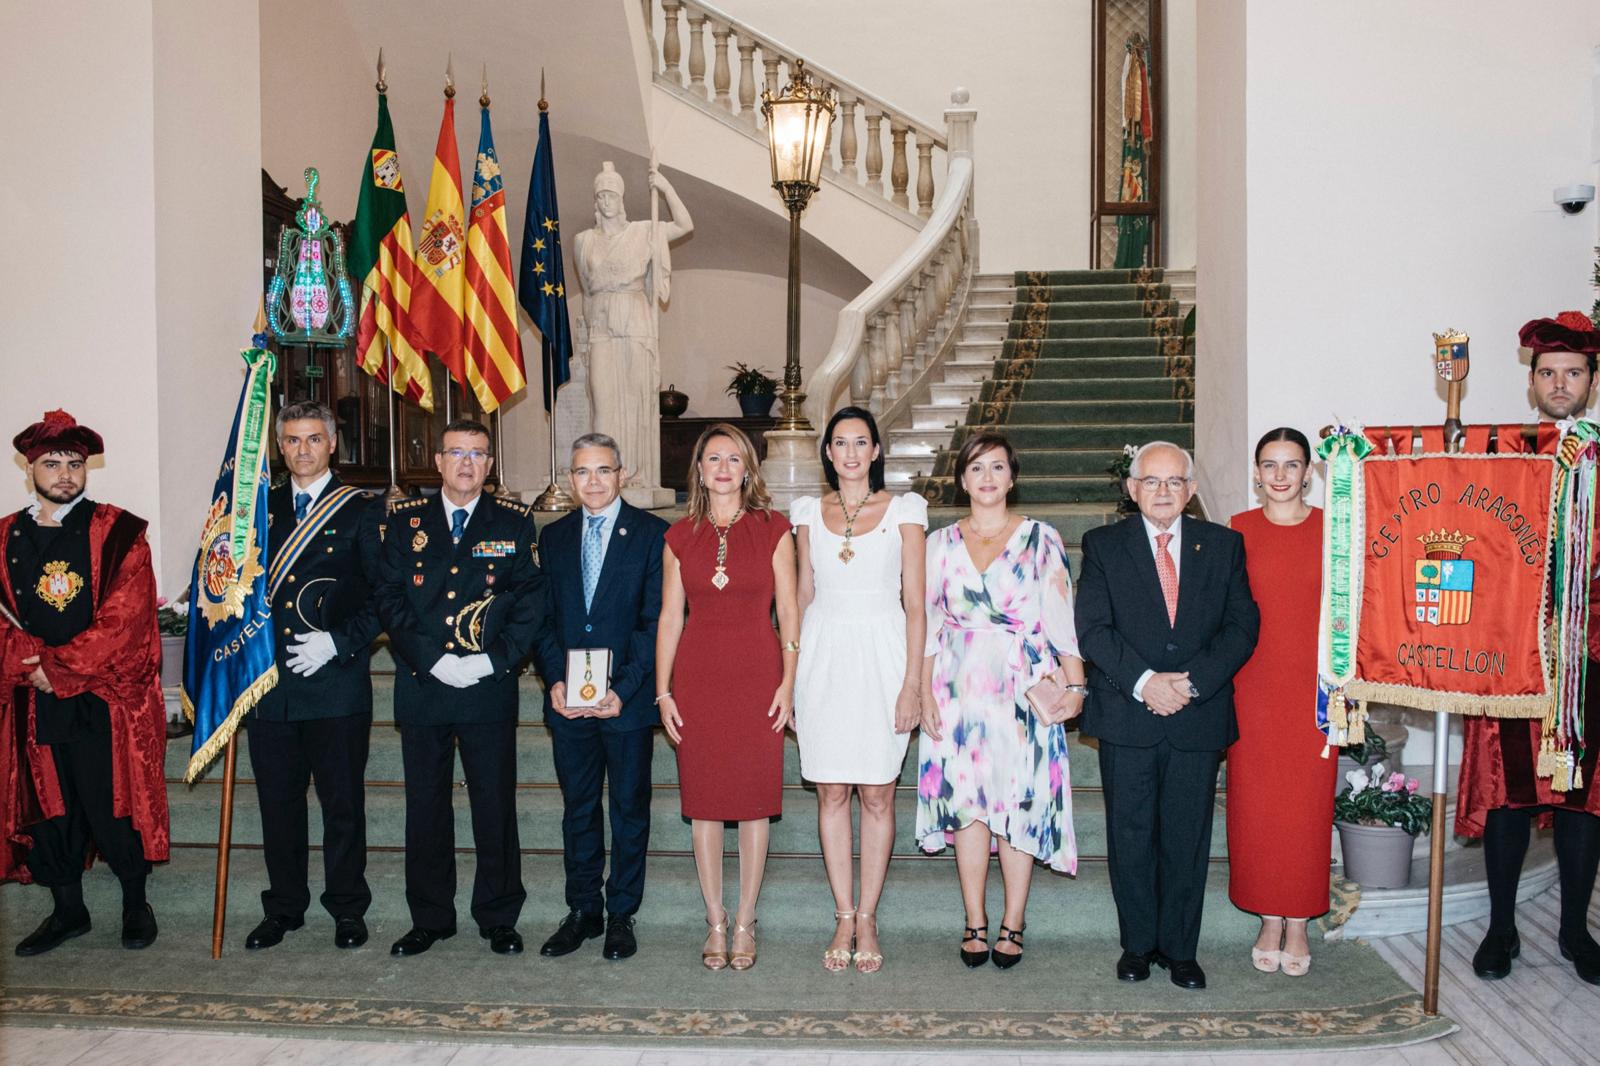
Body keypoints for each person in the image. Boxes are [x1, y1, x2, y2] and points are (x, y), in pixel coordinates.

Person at [1076, 440, 1260, 990]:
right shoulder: (1104, 545)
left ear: (1192, 490)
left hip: (1196, 716)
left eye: (1174, 482)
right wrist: (1144, 683)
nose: (1162, 491)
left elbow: (1242, 627)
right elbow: (1093, 629)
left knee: (1187, 835)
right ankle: (1137, 945)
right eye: (1151, 482)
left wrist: (1193, 684)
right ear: (1132, 490)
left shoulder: (1223, 546)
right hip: (1128, 715)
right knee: (1130, 834)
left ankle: (1182, 950)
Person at [1460, 311, 1600, 985]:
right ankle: (1502, 927)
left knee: (1583, 795)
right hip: (1513, 652)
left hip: (1591, 651)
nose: (1560, 384)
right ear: (1532, 385)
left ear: (1591, 382)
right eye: (1548, 374)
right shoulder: (1509, 457)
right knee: (1510, 793)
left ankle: (1575, 929)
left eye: (1573, 373)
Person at [373, 418, 546, 957]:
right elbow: (389, 599)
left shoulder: (515, 523)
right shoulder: (404, 523)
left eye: (477, 454)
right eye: (456, 453)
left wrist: (493, 662)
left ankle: (498, 915)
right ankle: (430, 917)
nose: (466, 463)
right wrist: (433, 659)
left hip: (486, 688)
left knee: (494, 805)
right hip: (425, 686)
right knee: (426, 806)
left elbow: (529, 603)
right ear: (439, 462)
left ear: (490, 465)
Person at [915, 432, 1084, 970]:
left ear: (1012, 477)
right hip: (956, 688)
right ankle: (974, 918)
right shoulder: (937, 545)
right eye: (975, 469)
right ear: (961, 479)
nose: (986, 478)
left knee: (1018, 806)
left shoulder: (1041, 538)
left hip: (1021, 688)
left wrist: (1075, 687)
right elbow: (928, 624)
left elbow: (1060, 617)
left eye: (997, 468)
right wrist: (922, 691)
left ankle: (1013, 920)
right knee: (967, 808)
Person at [0, 410, 167, 955]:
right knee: (53, 810)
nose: (66, 474)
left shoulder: (119, 533)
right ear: (31, 469)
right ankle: (68, 912)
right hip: (34, 702)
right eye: (53, 464)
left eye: (75, 463)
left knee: (109, 805)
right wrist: (31, 664)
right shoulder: (4, 538)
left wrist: (61, 667)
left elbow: (128, 617)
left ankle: (134, 904)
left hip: (100, 697)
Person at [656, 424, 798, 971]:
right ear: (699, 469)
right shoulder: (677, 536)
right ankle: (714, 918)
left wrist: (789, 679)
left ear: (748, 470)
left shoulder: (773, 528)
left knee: (754, 803)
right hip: (698, 678)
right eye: (712, 457)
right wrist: (662, 690)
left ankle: (745, 919)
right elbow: (670, 618)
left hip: (758, 675)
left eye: (733, 458)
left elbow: (789, 610)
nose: (722, 467)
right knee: (706, 805)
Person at [790, 407, 927, 973]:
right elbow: (800, 597)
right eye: (840, 442)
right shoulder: (805, 512)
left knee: (876, 794)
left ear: (875, 451)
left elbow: (916, 604)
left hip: (883, 656)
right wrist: (791, 679)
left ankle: (868, 915)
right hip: (822, 655)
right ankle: (842, 912)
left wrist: (912, 684)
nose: (850, 452)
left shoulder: (906, 510)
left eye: (861, 442)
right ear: (827, 452)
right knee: (830, 794)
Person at [243, 400, 383, 952]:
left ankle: (347, 908)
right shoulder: (257, 509)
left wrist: (339, 643)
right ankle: (284, 907)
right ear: (279, 448)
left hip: (335, 683)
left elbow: (382, 598)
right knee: (278, 805)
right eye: (293, 440)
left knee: (342, 804)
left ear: (332, 444)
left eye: (314, 439)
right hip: (270, 686)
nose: (303, 449)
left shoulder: (362, 511)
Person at [532, 433, 668, 962]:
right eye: (583, 472)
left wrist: (623, 688)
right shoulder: (554, 537)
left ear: (623, 473)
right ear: (571, 478)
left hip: (626, 703)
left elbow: (654, 623)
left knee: (629, 809)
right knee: (579, 808)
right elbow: (542, 621)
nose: (593, 481)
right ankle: (583, 909)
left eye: (603, 471)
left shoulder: (653, 536)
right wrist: (554, 679)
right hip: (569, 701)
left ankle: (621, 914)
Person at [1225, 427, 1334, 977]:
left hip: (1314, 691)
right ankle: (1269, 916)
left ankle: (1300, 922)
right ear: (1256, 471)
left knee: (1306, 809)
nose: (1281, 476)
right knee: (1257, 806)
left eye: (1292, 465)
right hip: (1254, 687)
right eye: (1270, 465)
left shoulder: (1332, 529)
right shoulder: (1237, 531)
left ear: (1308, 472)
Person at [574, 160, 694, 497]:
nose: (606, 201)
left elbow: (685, 224)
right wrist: (584, 342)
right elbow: (586, 289)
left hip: (635, 316)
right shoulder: (583, 241)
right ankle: (604, 473)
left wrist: (665, 187)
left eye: (611, 194)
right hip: (601, 321)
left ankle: (636, 474)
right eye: (601, 196)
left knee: (637, 399)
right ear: (595, 202)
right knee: (603, 403)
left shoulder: (645, 231)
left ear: (621, 198)